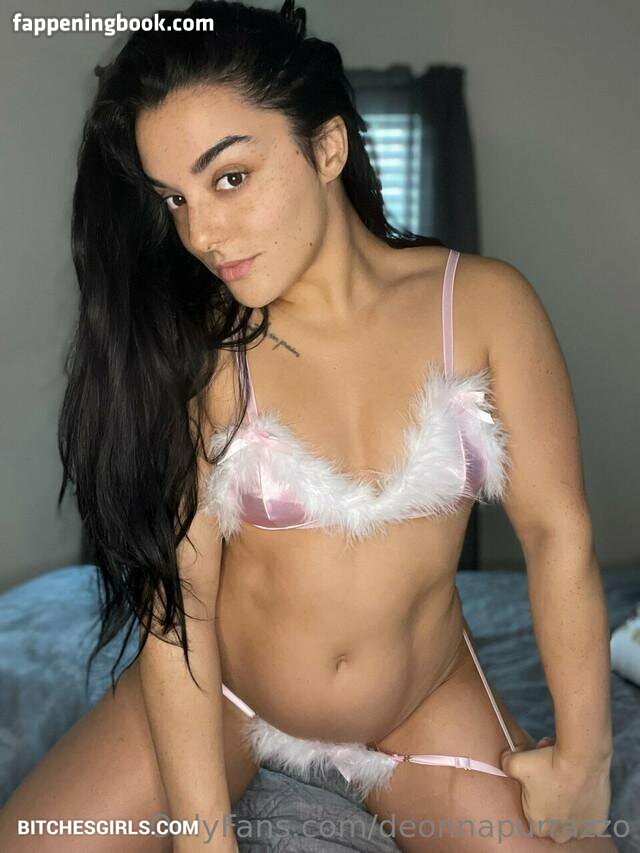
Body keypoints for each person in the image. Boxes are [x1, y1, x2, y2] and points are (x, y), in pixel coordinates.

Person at [0, 1, 616, 850]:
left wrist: (585, 758)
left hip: (423, 699)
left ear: (327, 149)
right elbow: (180, 609)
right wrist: (204, 839)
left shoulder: (482, 307)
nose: (202, 232)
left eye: (230, 178)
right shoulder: (206, 356)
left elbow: (558, 533)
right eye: (174, 198)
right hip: (229, 694)